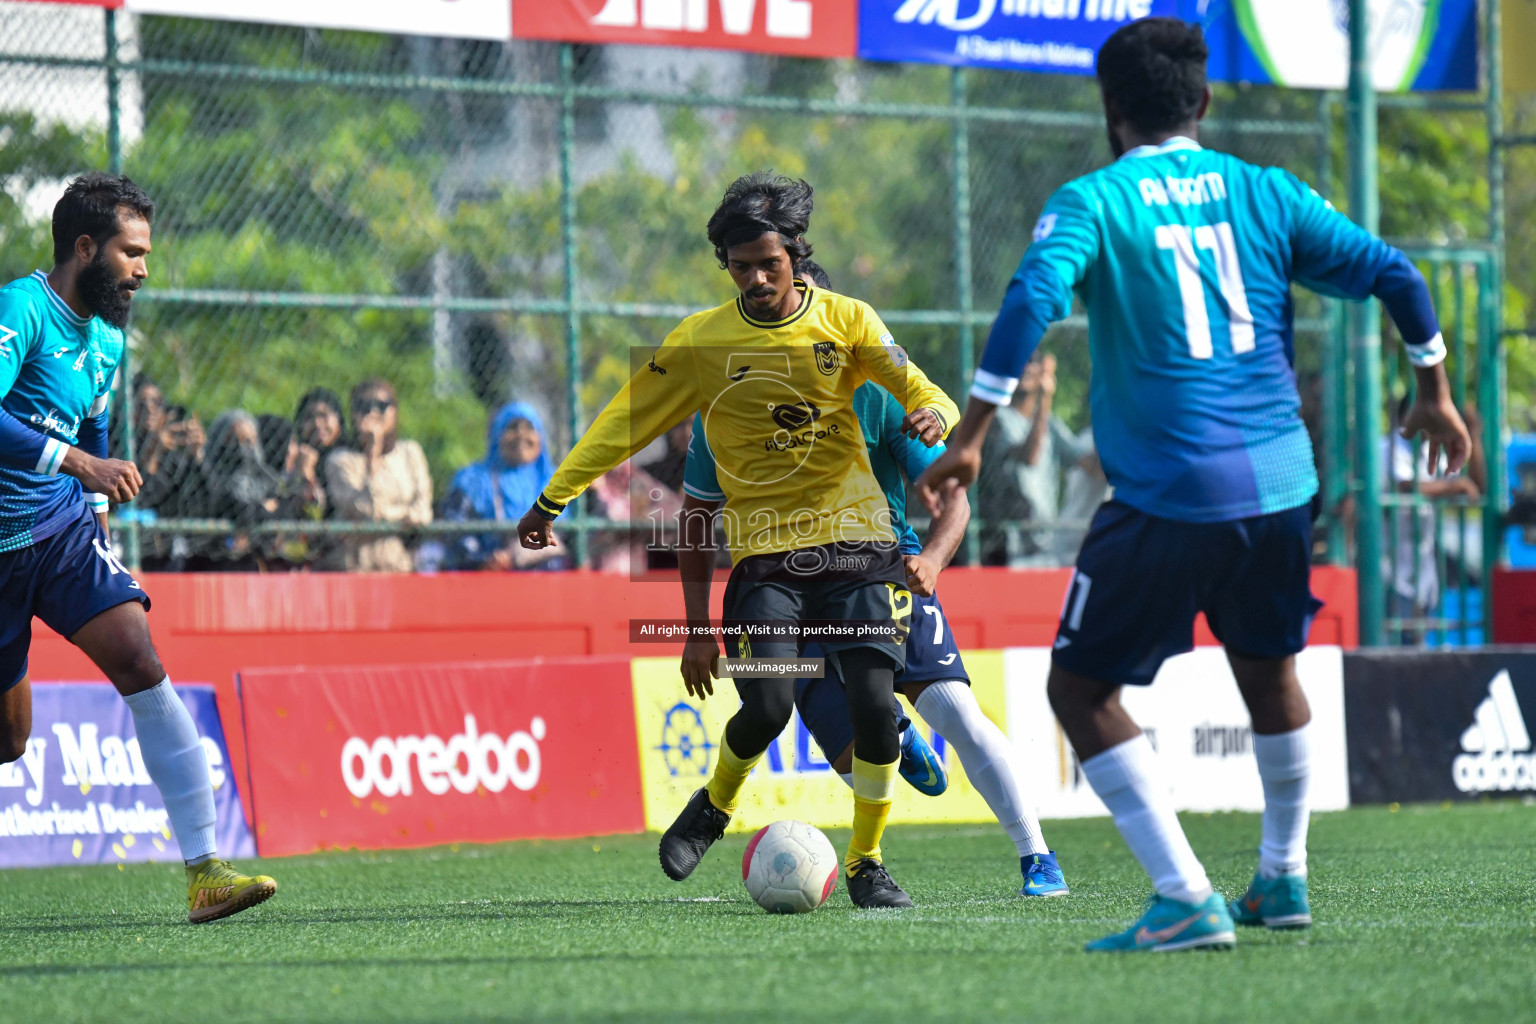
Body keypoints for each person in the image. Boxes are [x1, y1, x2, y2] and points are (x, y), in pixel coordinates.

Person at [915, 18, 1470, 952]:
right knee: (1271, 676)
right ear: (1203, 103)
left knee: (1081, 691)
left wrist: (970, 433)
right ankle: (1282, 877)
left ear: (1110, 109)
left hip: (1169, 491)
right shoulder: (1268, 192)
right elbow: (1396, 274)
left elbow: (1030, 301)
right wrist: (1435, 392)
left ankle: (1184, 896)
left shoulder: (1093, 200)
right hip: (1282, 485)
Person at [518, 172, 958, 909]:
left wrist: (934, 415)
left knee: (879, 709)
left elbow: (920, 387)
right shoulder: (700, 343)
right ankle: (715, 807)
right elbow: (620, 425)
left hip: (860, 550)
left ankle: (867, 864)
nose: (755, 278)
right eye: (739, 266)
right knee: (767, 707)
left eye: (769, 263)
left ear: (794, 253)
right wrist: (552, 497)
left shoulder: (847, 321)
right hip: (767, 563)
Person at [679, 258, 1069, 898]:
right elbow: (692, 518)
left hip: (880, 575)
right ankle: (881, 763)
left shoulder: (878, 393)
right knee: (848, 752)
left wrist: (934, 560)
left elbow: (955, 496)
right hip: (784, 589)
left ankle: (1038, 858)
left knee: (962, 718)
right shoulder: (728, 404)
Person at [0, 173, 275, 921]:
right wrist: (80, 465)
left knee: (140, 658)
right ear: (85, 247)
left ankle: (206, 870)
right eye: (132, 251)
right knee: (10, 739)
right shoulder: (21, 308)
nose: (144, 268)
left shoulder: (110, 337)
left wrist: (91, 504)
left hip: (59, 533)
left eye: (146, 253)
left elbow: (90, 422)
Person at [977, 352, 1094, 566]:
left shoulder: (1050, 423)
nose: (1026, 368)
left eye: (1032, 362)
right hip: (1007, 547)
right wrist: (1046, 398)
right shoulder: (995, 422)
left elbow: (1090, 466)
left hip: (1046, 545)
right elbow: (1030, 456)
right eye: (1020, 361)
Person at [324, 378, 433, 573]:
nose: (374, 413)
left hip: (399, 564)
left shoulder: (410, 453)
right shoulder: (340, 461)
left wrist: (388, 518)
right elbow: (368, 511)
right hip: (355, 565)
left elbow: (423, 512)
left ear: (395, 411)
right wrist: (372, 454)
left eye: (382, 406)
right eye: (364, 407)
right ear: (354, 414)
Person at [442, 401, 564, 571]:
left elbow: (573, 540)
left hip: (547, 575)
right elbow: (457, 532)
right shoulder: (472, 480)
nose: (521, 434)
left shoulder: (558, 481)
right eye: (512, 427)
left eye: (529, 427)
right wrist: (486, 560)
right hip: (488, 574)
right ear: (497, 435)